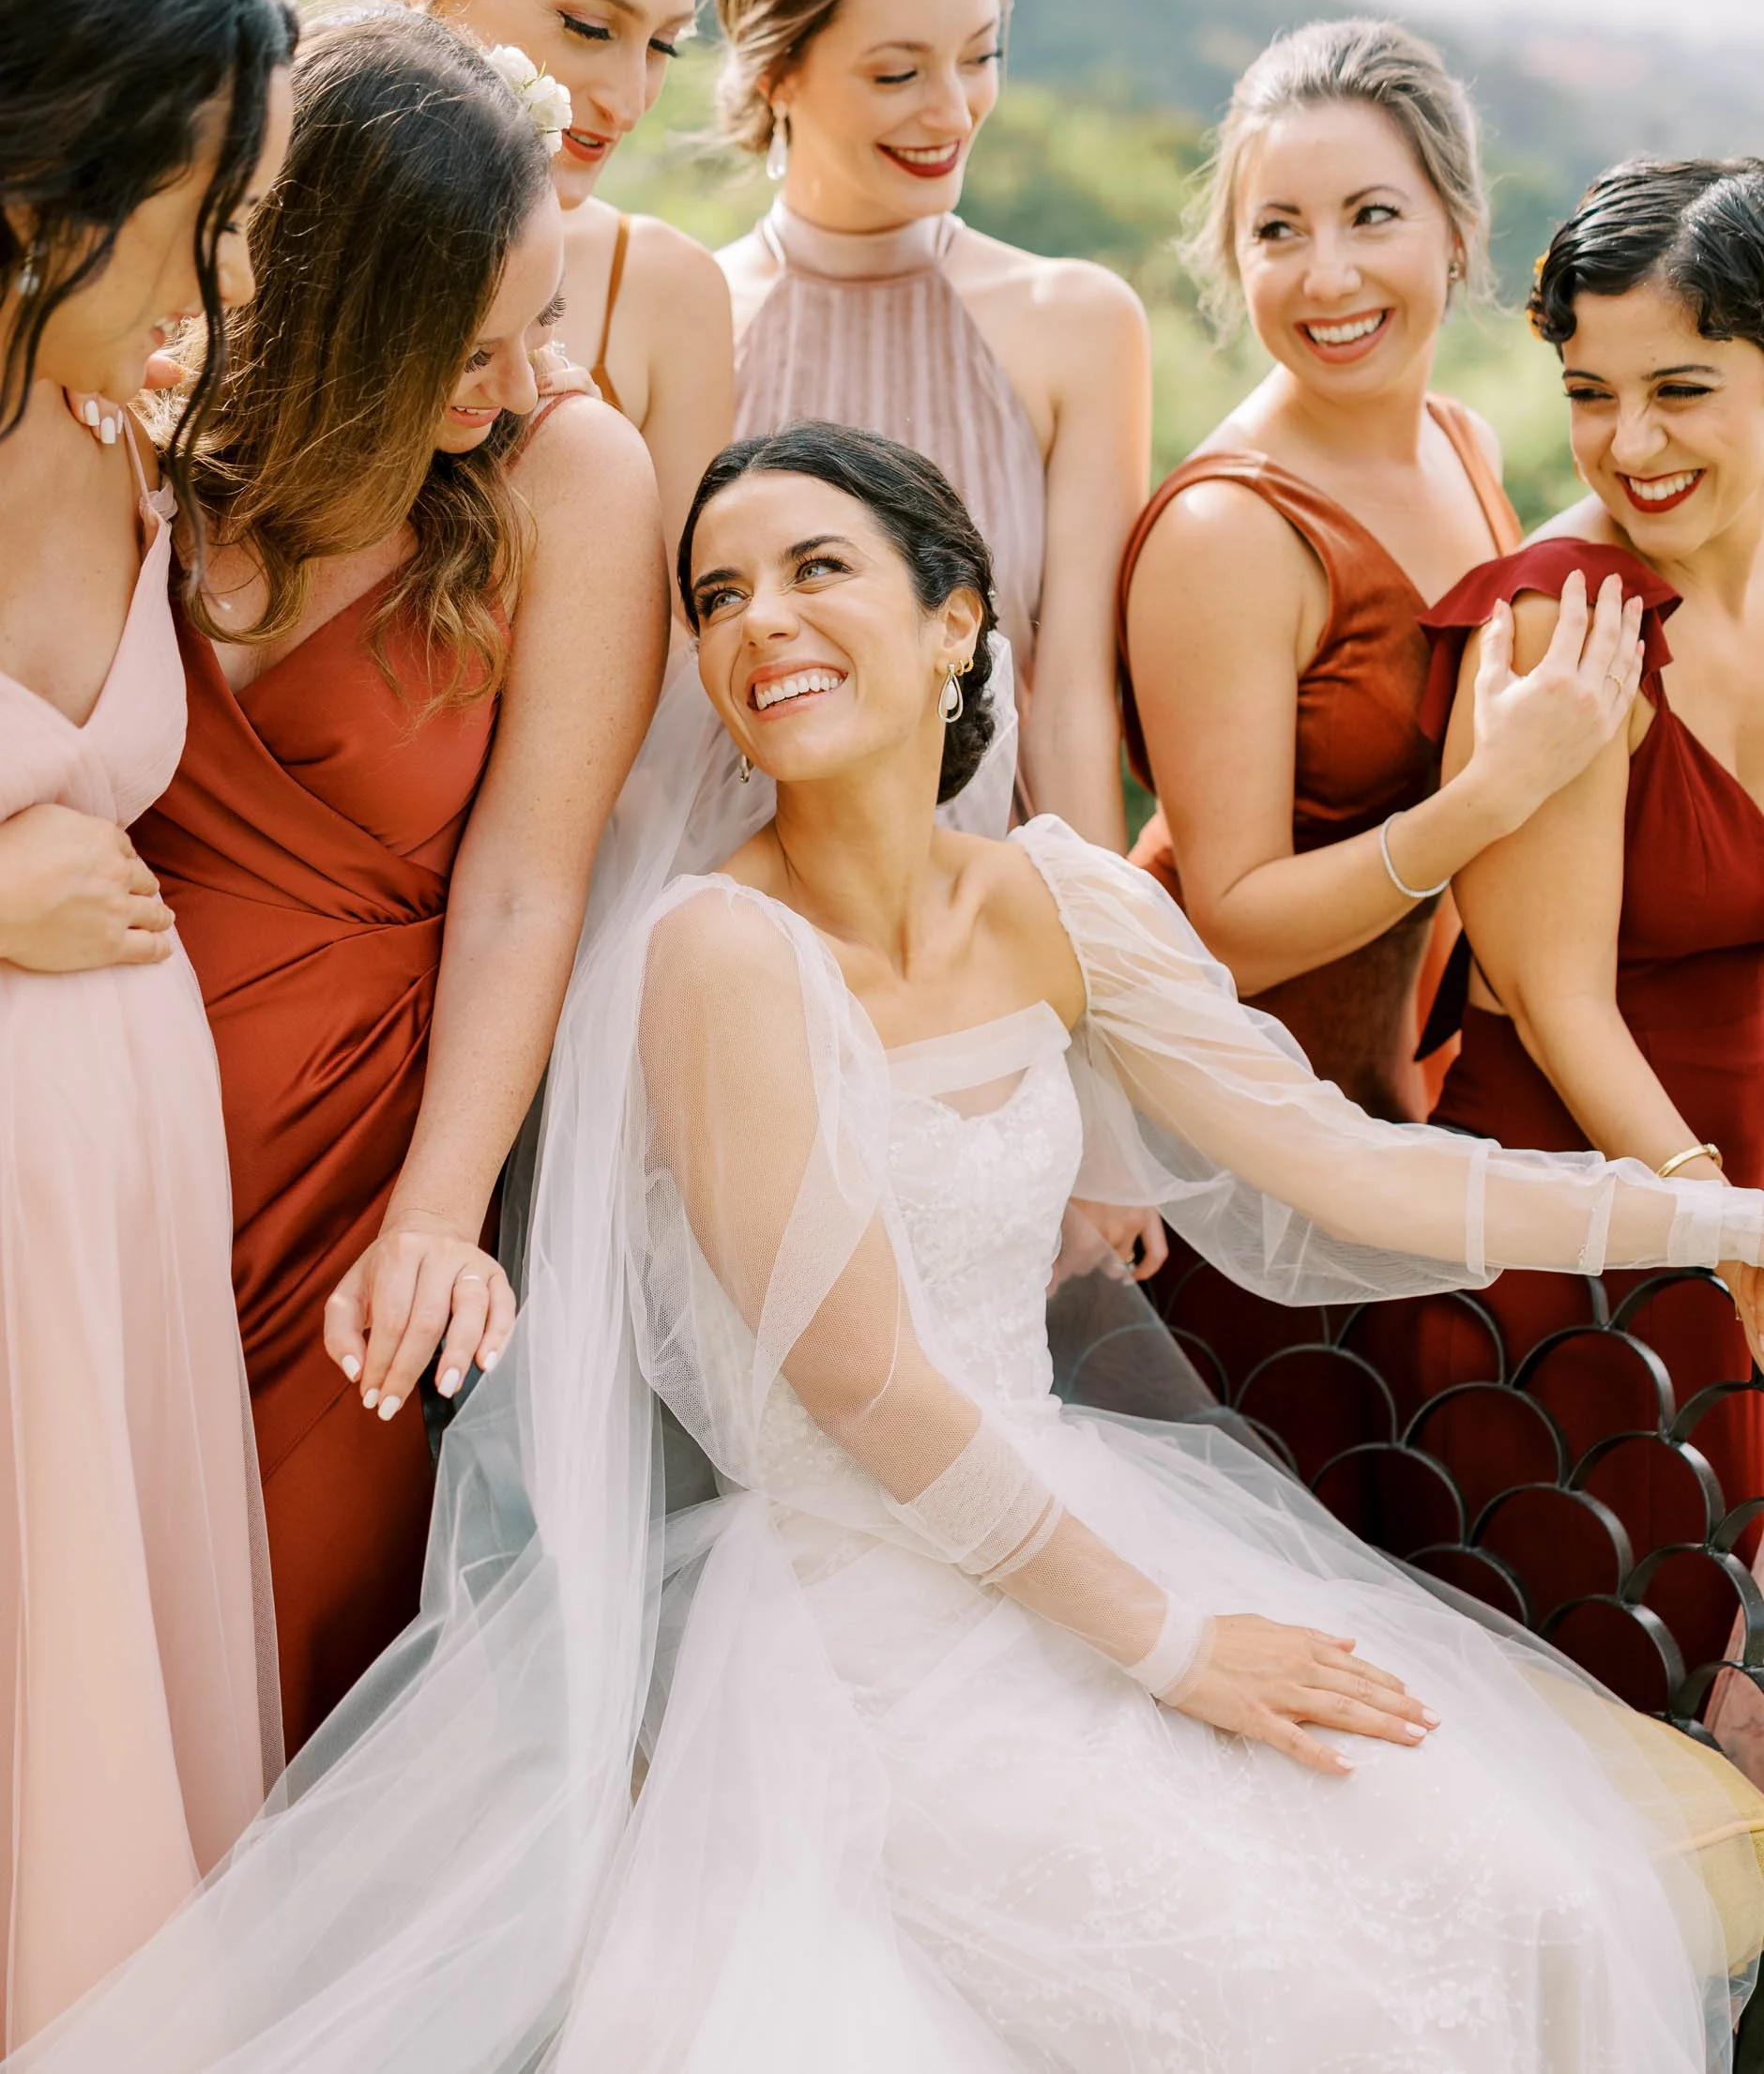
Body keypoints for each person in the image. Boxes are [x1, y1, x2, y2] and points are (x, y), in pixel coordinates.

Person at [31, 420, 1764, 2074]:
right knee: (1300, 1990)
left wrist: (1713, 1214)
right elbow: (861, 1378)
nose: (759, 621)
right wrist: (1173, 1650)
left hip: (1079, 1518)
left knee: (1511, 1898)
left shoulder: (1064, 900)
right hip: (864, 1626)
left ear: (956, 620)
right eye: (717, 597)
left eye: (813, 569)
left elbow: (1343, 1169)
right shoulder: (716, 950)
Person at [130, 7, 667, 1754]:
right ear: (333, 315)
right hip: (82, 1132)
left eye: (542, 327)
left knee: (285, 1663)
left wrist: (436, 1215)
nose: (518, 384)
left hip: (350, 1189)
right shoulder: (124, 432)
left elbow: (525, 887)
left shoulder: (567, 477)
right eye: (469, 344)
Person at [1118, 18, 1646, 1407]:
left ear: (1458, 234)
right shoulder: (1227, 532)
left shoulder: (1463, 444)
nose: (1328, 274)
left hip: (1377, 1100)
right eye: (1277, 229)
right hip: (1216, 1141)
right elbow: (1226, 919)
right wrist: (1488, 801)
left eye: (1371, 217)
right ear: (1235, 261)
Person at [0, 0, 294, 2045]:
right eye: (203, 212)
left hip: (119, 1155)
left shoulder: (125, 438)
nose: (218, 274)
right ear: (57, 174)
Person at [1422, 158, 1764, 1713]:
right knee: (1651, 1708)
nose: (1634, 446)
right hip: (1604, 1219)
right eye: (1590, 392)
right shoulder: (1563, 618)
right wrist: (1730, 1239)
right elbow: (1553, 1001)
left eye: (1682, 389)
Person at [715, 0, 1147, 849]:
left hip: (988, 931)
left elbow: (1071, 696)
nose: (953, 111)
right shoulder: (692, 318)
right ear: (776, 69)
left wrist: (1103, 963)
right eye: (898, 71)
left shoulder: (1075, 324)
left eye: (980, 56)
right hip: (739, 921)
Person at [348, 0, 731, 548]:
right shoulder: (255, 212)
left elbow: (680, 645)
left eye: (665, 44)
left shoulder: (665, 292)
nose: (629, 101)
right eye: (588, 27)